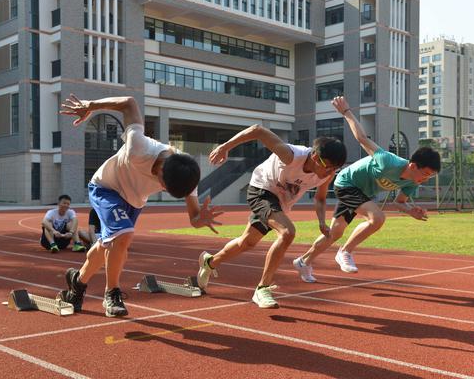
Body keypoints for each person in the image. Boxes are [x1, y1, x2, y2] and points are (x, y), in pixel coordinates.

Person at [58, 94, 222, 317]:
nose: (162, 188)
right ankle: (112, 293)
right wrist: (91, 106)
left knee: (110, 244)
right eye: (163, 185)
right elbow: (129, 103)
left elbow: (193, 217)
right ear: (163, 167)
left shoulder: (187, 174)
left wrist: (199, 220)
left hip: (133, 201)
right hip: (106, 186)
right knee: (123, 235)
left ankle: (77, 282)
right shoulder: (139, 147)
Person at [292, 96, 441, 282]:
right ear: (413, 166)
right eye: (425, 174)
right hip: (347, 183)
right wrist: (346, 112)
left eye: (430, 177)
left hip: (361, 194)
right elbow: (362, 138)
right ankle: (345, 251)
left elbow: (399, 202)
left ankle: (303, 261)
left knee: (335, 233)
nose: (425, 179)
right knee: (377, 218)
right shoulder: (388, 161)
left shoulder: (411, 182)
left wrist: (411, 211)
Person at [196, 124, 346, 308]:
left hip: (280, 203)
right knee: (287, 232)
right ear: (315, 157)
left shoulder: (325, 175)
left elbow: (321, 198)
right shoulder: (291, 156)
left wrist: (322, 222)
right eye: (328, 167)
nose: (331, 173)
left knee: (247, 243)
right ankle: (262, 289)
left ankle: (210, 262)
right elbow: (258, 130)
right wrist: (224, 147)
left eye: (335, 169)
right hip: (261, 189)